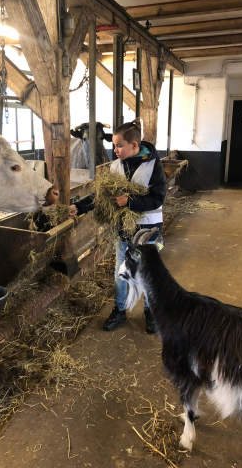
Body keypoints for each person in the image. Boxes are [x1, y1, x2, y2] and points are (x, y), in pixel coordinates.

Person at [69, 118, 166, 333]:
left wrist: (129, 201)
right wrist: (80, 206)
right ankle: (119, 310)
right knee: (121, 270)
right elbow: (102, 196)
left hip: (148, 228)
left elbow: (158, 198)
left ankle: (150, 312)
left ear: (134, 145)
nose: (115, 150)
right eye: (113, 145)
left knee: (148, 270)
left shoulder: (153, 165)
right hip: (123, 228)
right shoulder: (115, 166)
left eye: (119, 145)